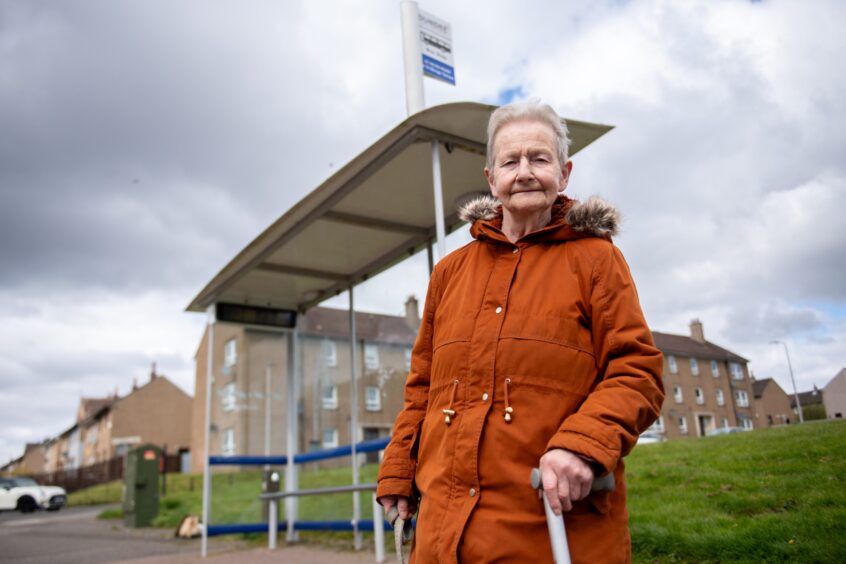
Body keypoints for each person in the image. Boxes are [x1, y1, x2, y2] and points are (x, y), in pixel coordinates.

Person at [376, 99, 664, 563]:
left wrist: (583, 446)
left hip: (549, 532)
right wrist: (398, 469)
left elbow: (637, 371)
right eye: (511, 160)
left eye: (539, 158)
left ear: (564, 173)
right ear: (491, 177)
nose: (525, 171)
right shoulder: (449, 273)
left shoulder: (596, 260)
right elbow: (422, 388)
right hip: (441, 537)